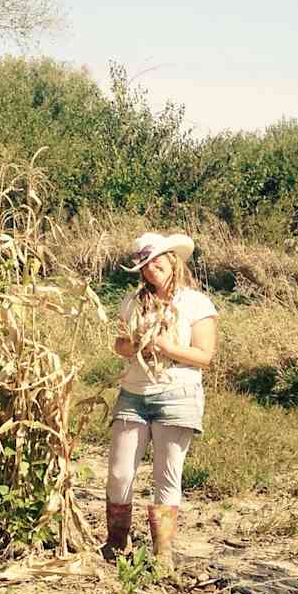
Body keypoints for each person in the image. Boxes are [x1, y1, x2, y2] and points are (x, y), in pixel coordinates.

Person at [103, 231, 218, 568]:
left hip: (177, 395)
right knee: (120, 472)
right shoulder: (133, 302)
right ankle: (115, 544)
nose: (151, 268)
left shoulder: (196, 303)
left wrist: (167, 349)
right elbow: (119, 345)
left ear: (172, 260)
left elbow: (204, 355)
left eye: (157, 261)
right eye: (145, 264)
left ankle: (162, 553)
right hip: (133, 394)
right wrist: (136, 344)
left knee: (167, 474)